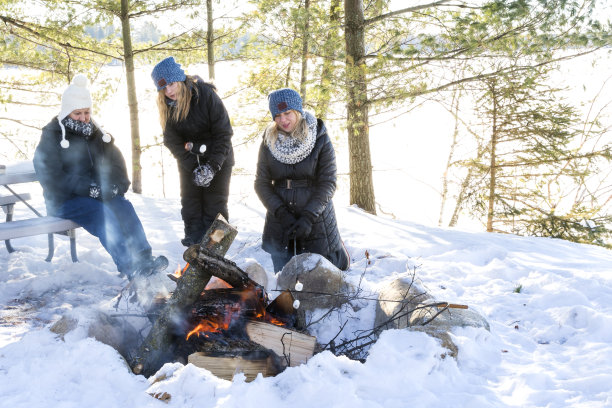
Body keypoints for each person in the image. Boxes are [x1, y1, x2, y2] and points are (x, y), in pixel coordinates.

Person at [33, 74, 168, 280]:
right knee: (101, 213)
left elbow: (116, 163)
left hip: (93, 195)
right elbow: (51, 176)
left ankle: (144, 259)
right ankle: (130, 266)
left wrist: (116, 187)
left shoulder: (96, 133)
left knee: (123, 206)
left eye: (87, 112)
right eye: (77, 113)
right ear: (67, 112)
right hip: (64, 201)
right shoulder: (53, 136)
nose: (84, 117)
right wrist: (89, 189)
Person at [254, 88, 350, 272]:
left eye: (287, 113)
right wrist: (281, 213)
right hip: (280, 221)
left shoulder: (319, 137)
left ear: (297, 110)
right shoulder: (268, 141)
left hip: (316, 217)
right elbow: (261, 183)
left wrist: (308, 216)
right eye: (278, 115)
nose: (283, 120)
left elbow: (328, 182)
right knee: (286, 281)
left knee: (320, 276)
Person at [151, 57, 234, 247]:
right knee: (191, 206)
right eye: (164, 88)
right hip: (190, 161)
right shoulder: (168, 107)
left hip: (218, 157)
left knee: (215, 207)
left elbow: (223, 133)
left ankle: (215, 249)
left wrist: (211, 168)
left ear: (180, 79)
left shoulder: (205, 95)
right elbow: (171, 140)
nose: (169, 91)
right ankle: (194, 250)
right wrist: (192, 165)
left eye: (171, 84)